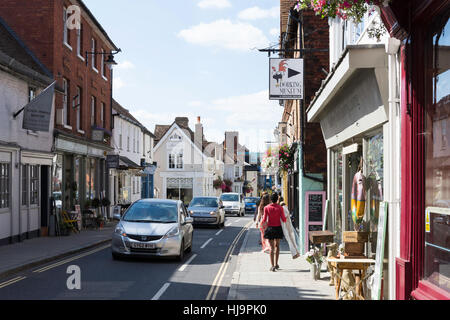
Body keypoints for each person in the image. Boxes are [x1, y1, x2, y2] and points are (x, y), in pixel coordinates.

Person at [261, 193, 286, 272]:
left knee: (271, 248)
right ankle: (276, 264)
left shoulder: (266, 208)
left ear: (271, 200)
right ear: (277, 200)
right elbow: (284, 219)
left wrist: (261, 225)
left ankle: (272, 266)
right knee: (277, 246)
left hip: (270, 228)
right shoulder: (280, 208)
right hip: (278, 228)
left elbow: (264, 219)